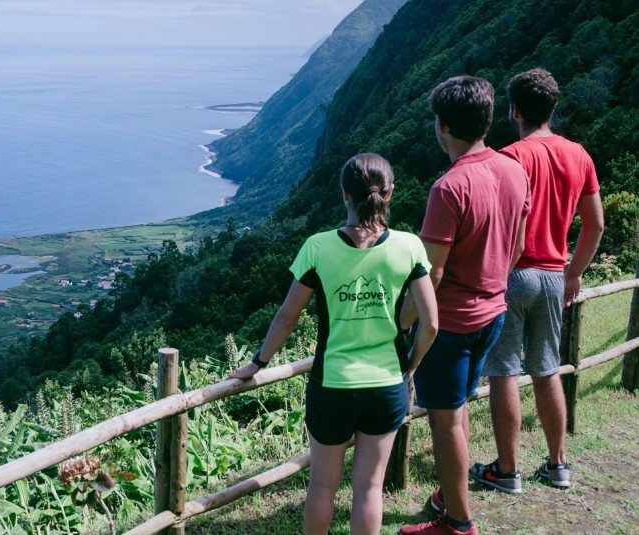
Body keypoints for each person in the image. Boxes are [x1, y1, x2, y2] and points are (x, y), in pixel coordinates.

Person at [230, 153, 438, 535]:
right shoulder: (409, 247)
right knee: (369, 488)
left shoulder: (318, 247)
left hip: (332, 386)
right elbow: (431, 323)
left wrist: (257, 363)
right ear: (389, 195)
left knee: (323, 485)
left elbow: (286, 317)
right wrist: (409, 367)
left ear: (344, 194)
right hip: (386, 384)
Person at [399, 76, 530, 535]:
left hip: (451, 323)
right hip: (493, 312)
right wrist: (491, 281)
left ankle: (458, 523)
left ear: (444, 127)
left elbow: (430, 275)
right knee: (458, 410)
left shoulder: (448, 188)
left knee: (447, 419)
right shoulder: (514, 170)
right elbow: (517, 244)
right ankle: (449, 495)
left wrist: (403, 323)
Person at [469, 68, 604, 492]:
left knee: (505, 372)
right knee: (547, 369)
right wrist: (574, 273)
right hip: (552, 275)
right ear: (552, 108)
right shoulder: (578, 155)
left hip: (513, 275)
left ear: (515, 110)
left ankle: (507, 471)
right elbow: (595, 225)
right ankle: (557, 464)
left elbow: (497, 224)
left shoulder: (510, 157)